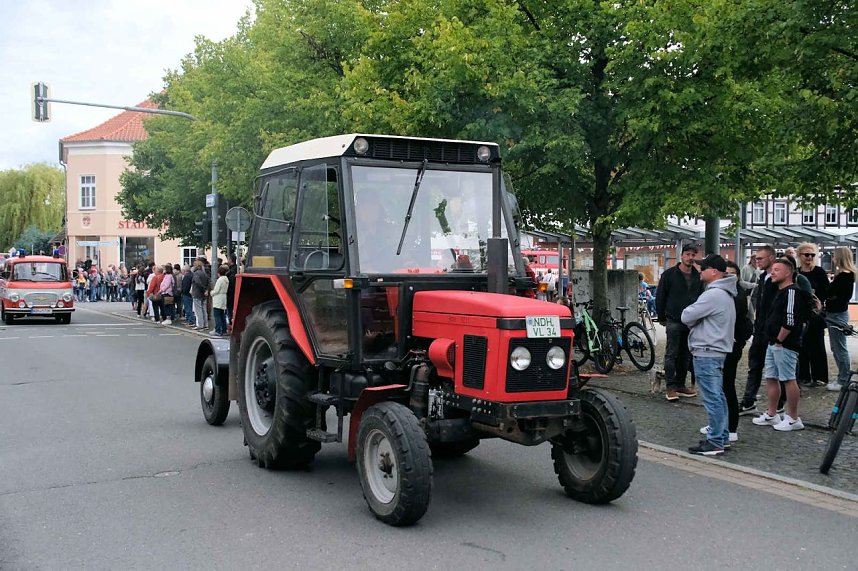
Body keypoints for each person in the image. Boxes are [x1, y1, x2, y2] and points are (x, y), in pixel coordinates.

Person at [682, 254, 736, 455]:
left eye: (703, 268)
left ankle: (715, 441)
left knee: (712, 397)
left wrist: (694, 319)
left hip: (707, 350)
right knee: (719, 396)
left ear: (713, 271)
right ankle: (721, 436)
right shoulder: (726, 293)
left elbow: (687, 315)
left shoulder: (713, 294)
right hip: (717, 350)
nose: (700, 271)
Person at [698, 260, 752, 445]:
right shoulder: (726, 293)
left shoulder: (732, 295)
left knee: (724, 387)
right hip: (726, 343)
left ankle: (728, 429)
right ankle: (720, 428)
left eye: (731, 273)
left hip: (728, 345)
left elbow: (691, 315)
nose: (727, 276)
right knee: (719, 388)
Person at [752, 258, 809, 431]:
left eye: (777, 269)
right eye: (772, 269)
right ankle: (772, 413)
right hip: (772, 342)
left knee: (788, 379)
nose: (772, 272)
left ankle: (793, 417)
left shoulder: (792, 292)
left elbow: (790, 320)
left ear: (788, 273)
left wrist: (780, 340)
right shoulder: (778, 291)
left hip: (785, 344)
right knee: (771, 377)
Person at [655, 244, 702, 401]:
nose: (690, 258)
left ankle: (680, 384)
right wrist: (661, 316)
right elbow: (661, 295)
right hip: (674, 318)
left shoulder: (698, 275)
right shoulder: (669, 275)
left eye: (693, 255)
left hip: (691, 321)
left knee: (686, 354)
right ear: (681, 256)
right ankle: (670, 386)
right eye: (688, 254)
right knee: (672, 353)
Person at [738, 245, 779, 416]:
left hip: (772, 331)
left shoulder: (777, 278)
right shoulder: (762, 277)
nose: (757, 261)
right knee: (754, 365)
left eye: (760, 258)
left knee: (775, 370)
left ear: (770, 258)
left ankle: (778, 407)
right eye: (756, 258)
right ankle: (749, 400)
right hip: (760, 329)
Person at [796, 242, 829, 388]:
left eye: (812, 255)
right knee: (801, 346)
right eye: (806, 254)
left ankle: (820, 377)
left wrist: (815, 295)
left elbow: (826, 291)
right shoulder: (796, 273)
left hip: (816, 314)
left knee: (817, 346)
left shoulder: (819, 272)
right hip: (801, 314)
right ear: (800, 256)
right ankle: (804, 376)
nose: (809, 257)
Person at [825, 246, 856, 392]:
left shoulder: (845, 275)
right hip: (835, 313)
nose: (832, 258)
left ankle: (843, 379)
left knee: (839, 348)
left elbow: (835, 294)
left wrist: (830, 295)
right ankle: (842, 377)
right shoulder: (844, 275)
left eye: (834, 256)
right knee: (836, 347)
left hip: (837, 314)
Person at [211, 265, 229, 336]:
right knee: (222, 315)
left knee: (217, 315)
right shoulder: (226, 279)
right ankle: (224, 330)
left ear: (219, 273)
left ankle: (217, 330)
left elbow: (216, 290)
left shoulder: (220, 280)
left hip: (218, 298)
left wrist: (211, 292)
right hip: (223, 297)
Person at [191, 260, 210, 331]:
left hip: (197, 293)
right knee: (204, 309)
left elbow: (198, 282)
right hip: (204, 294)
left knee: (198, 310)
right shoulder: (204, 273)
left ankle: (200, 325)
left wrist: (204, 289)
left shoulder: (196, 273)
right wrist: (206, 290)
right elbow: (208, 282)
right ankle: (205, 324)